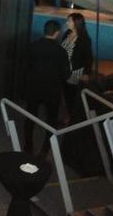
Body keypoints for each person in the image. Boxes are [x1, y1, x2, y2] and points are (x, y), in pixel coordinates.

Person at [23, 20, 71, 155]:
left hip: (34, 88)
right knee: (51, 121)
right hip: (52, 91)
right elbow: (65, 74)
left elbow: (26, 66)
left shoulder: (33, 46)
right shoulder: (61, 51)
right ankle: (45, 150)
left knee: (30, 118)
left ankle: (28, 147)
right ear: (57, 33)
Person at [61, 12, 93, 121]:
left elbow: (88, 58)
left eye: (69, 21)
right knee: (66, 94)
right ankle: (70, 116)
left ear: (76, 23)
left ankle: (73, 118)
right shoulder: (67, 34)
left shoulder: (84, 39)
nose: (67, 23)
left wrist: (87, 73)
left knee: (72, 96)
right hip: (64, 71)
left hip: (75, 72)